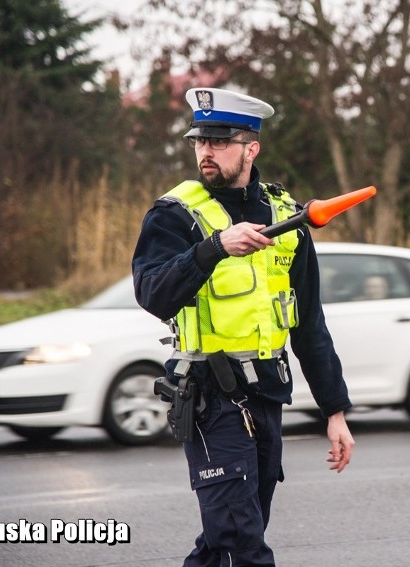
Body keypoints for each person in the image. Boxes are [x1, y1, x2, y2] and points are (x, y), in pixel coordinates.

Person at [132, 87, 355, 566]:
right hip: (210, 400)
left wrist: (334, 411)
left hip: (267, 397)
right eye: (199, 141)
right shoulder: (176, 215)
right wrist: (213, 248)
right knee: (241, 545)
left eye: (219, 142)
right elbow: (152, 294)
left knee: (223, 546)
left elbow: (309, 322)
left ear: (251, 148)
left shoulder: (284, 215)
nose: (205, 152)